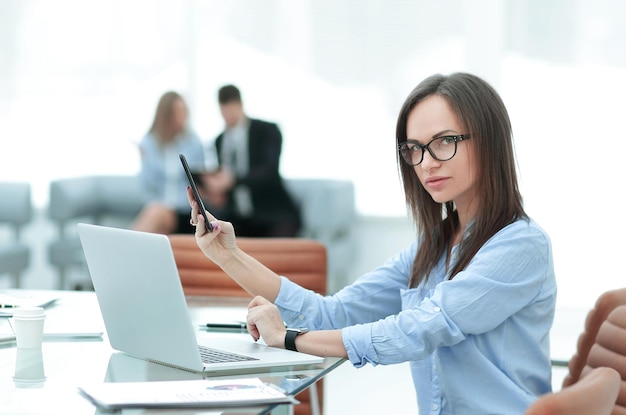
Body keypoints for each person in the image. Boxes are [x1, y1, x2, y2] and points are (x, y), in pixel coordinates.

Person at [186, 73, 557, 414]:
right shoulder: (435, 246)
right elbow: (333, 313)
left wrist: (288, 339)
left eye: (445, 141)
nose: (426, 163)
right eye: (415, 148)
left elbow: (418, 329)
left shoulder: (521, 246)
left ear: (489, 142)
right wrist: (228, 256)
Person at [200, 84, 301, 237]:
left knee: (277, 249)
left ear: (240, 105)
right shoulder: (220, 141)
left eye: (231, 111)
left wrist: (233, 180)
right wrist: (215, 189)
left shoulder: (267, 131)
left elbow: (269, 171)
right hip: (238, 217)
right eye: (224, 113)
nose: (228, 117)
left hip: (273, 213)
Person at [132, 91, 205, 234]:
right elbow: (147, 187)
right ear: (166, 115)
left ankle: (120, 252)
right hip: (158, 208)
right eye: (177, 113)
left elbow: (199, 182)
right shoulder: (149, 143)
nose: (182, 118)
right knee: (156, 214)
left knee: (156, 215)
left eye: (184, 111)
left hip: (185, 212)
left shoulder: (193, 142)